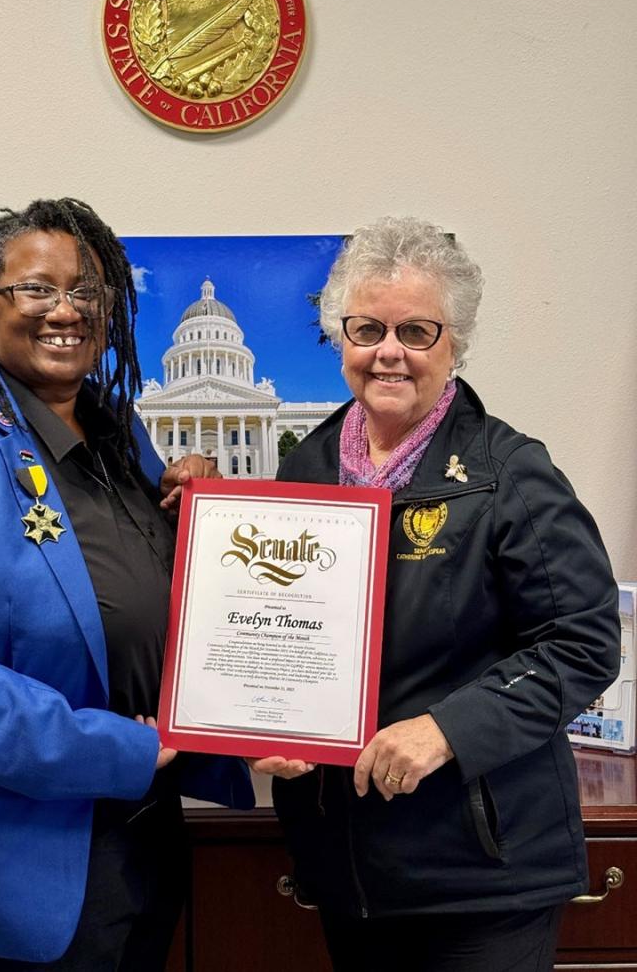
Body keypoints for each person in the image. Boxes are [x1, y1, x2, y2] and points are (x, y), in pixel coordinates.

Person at [0, 198, 253, 970]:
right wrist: (116, 745)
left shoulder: (119, 437)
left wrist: (198, 507)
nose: (65, 310)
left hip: (136, 841)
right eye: (37, 289)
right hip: (6, 871)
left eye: (87, 290)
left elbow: (130, 593)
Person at [255, 217, 620, 972]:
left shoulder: (510, 472)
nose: (389, 351)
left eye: (416, 330)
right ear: (341, 337)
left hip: (484, 875)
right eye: (367, 328)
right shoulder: (304, 475)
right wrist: (274, 717)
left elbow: (583, 641)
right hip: (351, 872)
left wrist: (446, 729)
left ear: (454, 343)